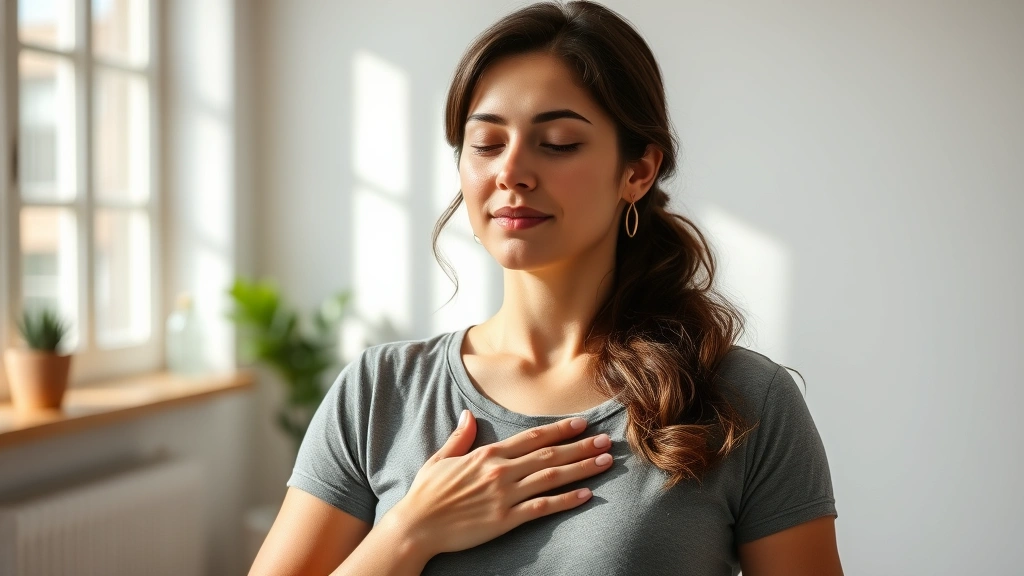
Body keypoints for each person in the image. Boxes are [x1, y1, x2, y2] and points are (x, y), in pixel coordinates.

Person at [250, 2, 842, 575]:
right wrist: (409, 533)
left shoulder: (744, 400)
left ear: (637, 171)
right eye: (486, 144)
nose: (511, 171)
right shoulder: (380, 393)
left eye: (557, 143)